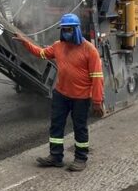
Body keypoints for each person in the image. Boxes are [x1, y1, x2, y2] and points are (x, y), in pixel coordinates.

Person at [13, 14, 105, 172]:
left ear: (76, 30)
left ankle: (80, 158)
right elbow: (41, 53)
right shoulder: (58, 46)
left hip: (81, 98)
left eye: (69, 29)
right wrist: (25, 42)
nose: (66, 33)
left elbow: (97, 77)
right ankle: (55, 156)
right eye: (63, 30)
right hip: (61, 94)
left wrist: (97, 101)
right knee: (56, 125)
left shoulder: (90, 50)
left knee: (80, 128)